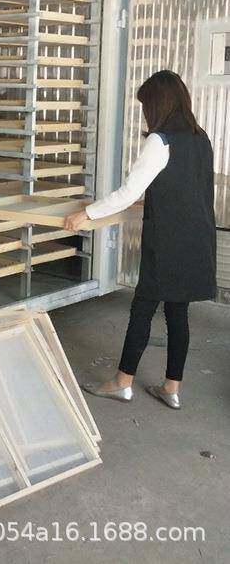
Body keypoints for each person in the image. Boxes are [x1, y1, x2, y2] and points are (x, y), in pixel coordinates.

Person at [64, 70, 216, 409]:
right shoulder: (201, 138)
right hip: (197, 241)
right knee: (178, 313)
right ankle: (172, 389)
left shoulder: (160, 141)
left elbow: (127, 192)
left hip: (168, 243)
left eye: (146, 105)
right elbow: (188, 189)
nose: (146, 112)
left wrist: (86, 214)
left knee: (143, 309)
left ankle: (122, 383)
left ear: (158, 104)